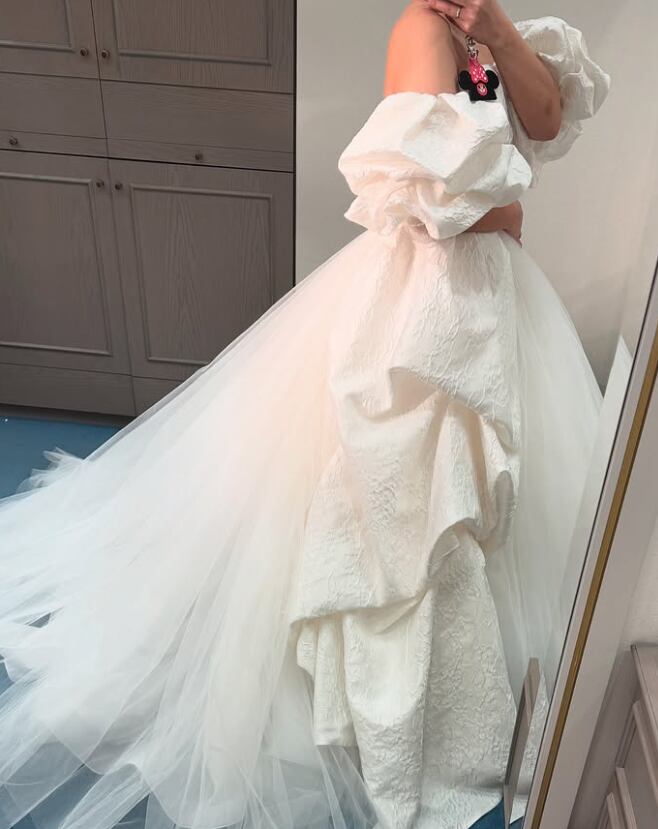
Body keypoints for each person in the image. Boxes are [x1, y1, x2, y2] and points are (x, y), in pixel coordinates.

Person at [0, 2, 610, 828]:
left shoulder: (486, 37)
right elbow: (426, 194)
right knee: (406, 499)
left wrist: (498, 32)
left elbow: (547, 118)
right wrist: (509, 213)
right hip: (427, 303)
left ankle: (470, 677)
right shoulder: (422, 33)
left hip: (490, 299)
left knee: (478, 490)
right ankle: (387, 700)